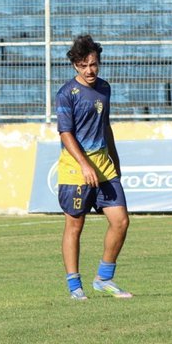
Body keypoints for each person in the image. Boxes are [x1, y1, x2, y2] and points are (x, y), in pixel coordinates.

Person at [55, 34, 131, 300]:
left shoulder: (104, 88)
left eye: (94, 64)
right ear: (75, 65)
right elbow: (66, 134)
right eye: (84, 65)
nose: (90, 70)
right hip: (76, 169)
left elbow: (104, 126)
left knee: (121, 221)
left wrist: (115, 159)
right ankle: (75, 286)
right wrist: (85, 165)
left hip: (104, 165)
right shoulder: (67, 94)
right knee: (75, 227)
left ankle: (104, 278)